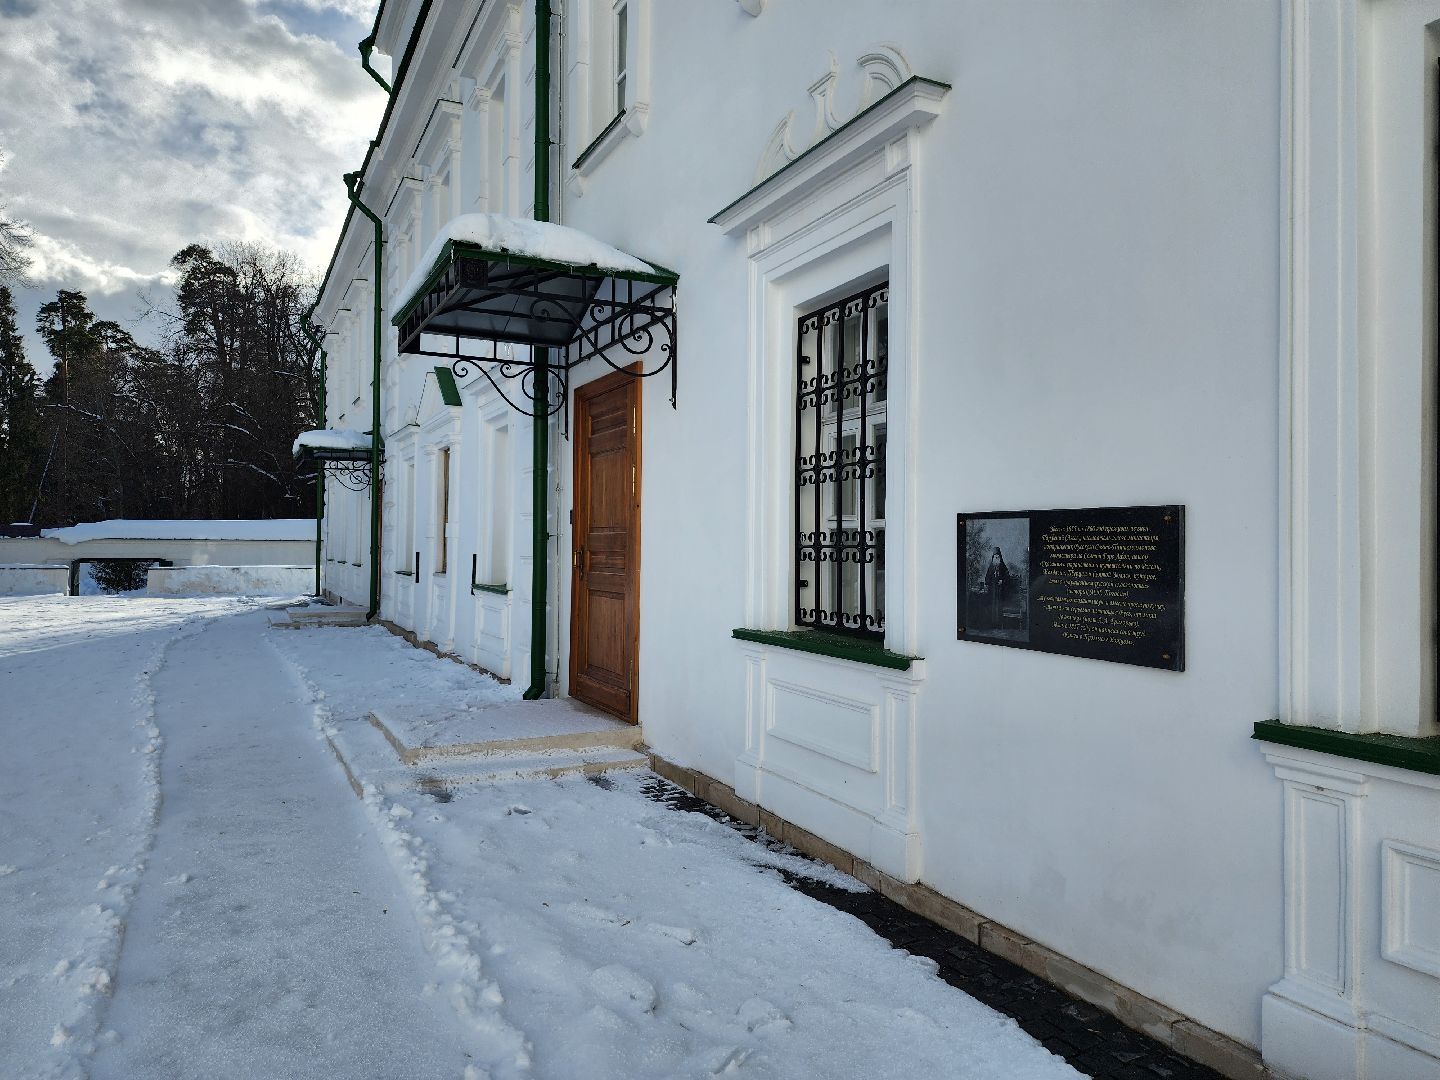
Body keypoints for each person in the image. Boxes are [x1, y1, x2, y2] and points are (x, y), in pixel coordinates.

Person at [984, 547, 1011, 628]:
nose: (996, 558)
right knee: (991, 607)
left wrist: (1002, 581)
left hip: (1000, 591)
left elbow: (1007, 577)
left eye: (998, 556)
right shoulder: (991, 566)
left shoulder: (1003, 566)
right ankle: (992, 623)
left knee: (999, 606)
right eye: (995, 556)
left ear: (1000, 557)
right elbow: (987, 578)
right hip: (992, 590)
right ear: (993, 557)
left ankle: (999, 623)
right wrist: (989, 582)